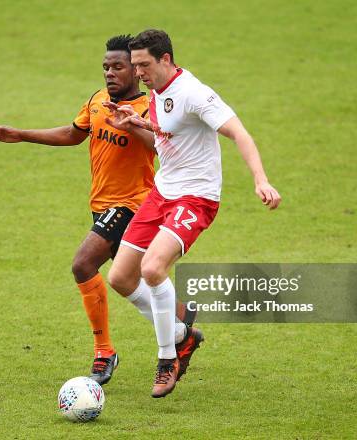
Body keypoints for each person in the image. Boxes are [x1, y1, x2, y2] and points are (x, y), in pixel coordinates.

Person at [0, 35, 199, 386]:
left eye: (118, 67)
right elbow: (73, 133)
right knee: (127, 281)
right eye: (105, 67)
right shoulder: (98, 101)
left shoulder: (148, 108)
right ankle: (180, 324)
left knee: (83, 264)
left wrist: (131, 125)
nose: (110, 74)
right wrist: (21, 134)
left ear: (136, 69)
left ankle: (105, 351)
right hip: (100, 206)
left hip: (133, 204)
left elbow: (164, 148)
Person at [105, 29, 282, 398]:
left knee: (152, 269)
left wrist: (261, 180)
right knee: (120, 278)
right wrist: (136, 125)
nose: (137, 73)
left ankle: (168, 356)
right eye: (135, 66)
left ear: (166, 59)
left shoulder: (195, 94)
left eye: (144, 65)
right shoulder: (156, 91)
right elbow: (165, 141)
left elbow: (240, 134)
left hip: (196, 197)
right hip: (162, 193)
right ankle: (184, 333)